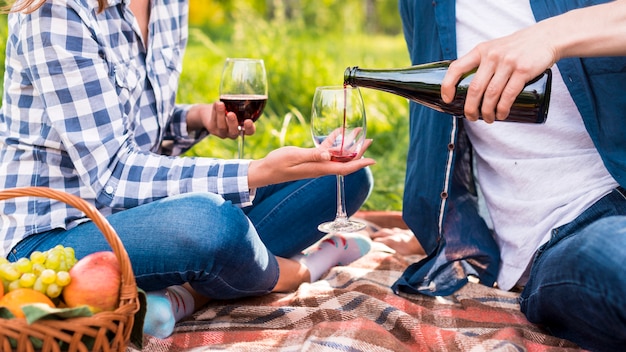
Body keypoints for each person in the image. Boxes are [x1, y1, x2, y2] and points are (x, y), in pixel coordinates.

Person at [0, 0, 375, 340]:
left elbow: (132, 127)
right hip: (52, 237)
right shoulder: (58, 11)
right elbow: (114, 173)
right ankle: (304, 269)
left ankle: (183, 291)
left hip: (137, 218)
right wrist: (259, 170)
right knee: (210, 224)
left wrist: (198, 119)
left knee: (343, 177)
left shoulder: (168, 4)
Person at [375, 1, 626, 351]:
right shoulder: (425, 6)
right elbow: (436, 130)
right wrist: (439, 228)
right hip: (567, 227)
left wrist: (551, 35)